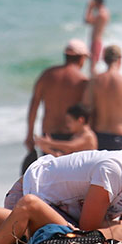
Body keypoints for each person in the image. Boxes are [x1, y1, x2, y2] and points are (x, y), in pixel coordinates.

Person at [4, 132, 122, 231]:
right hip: (31, 192)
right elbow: (89, 227)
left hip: (65, 214)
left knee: (70, 236)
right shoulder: (116, 170)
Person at [22, 39, 90, 172]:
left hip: (48, 136)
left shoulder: (47, 75)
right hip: (71, 138)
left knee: (49, 180)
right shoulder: (82, 81)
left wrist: (29, 134)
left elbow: (34, 106)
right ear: (82, 59)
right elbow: (87, 114)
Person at [84, 45, 122, 150]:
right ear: (120, 60)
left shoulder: (94, 82)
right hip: (119, 137)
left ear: (104, 59)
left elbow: (85, 109)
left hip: (98, 136)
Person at [84, 0, 110, 75]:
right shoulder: (104, 12)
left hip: (96, 42)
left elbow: (87, 20)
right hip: (97, 42)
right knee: (92, 67)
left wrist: (89, 7)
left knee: (92, 68)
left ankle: (95, 85)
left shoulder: (101, 14)